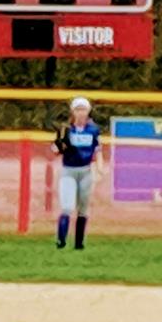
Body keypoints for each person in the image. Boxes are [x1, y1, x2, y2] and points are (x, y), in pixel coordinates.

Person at [52, 95, 102, 250]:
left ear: (88, 111)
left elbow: (98, 150)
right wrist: (59, 147)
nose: (81, 113)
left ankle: (79, 243)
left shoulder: (93, 130)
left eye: (84, 109)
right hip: (69, 170)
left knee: (83, 208)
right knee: (67, 207)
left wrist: (99, 168)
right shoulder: (66, 129)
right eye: (78, 109)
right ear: (73, 112)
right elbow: (55, 149)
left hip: (85, 171)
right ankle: (61, 241)